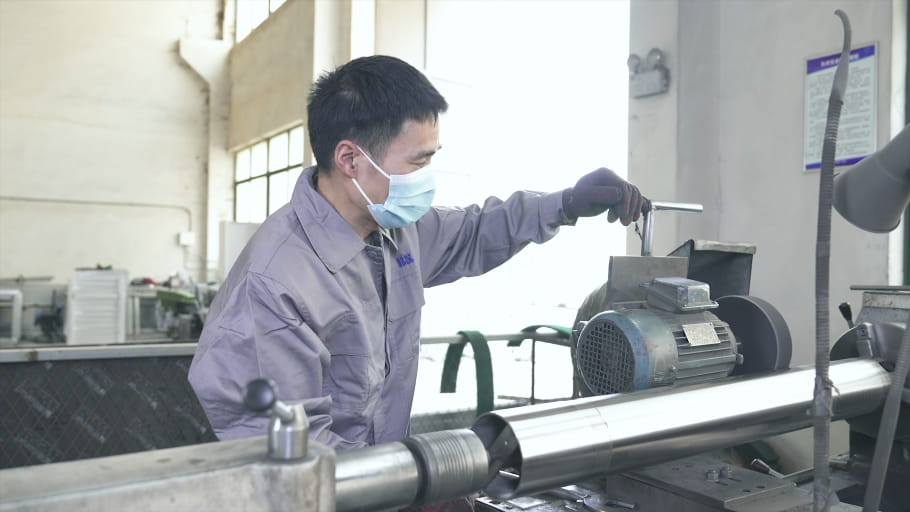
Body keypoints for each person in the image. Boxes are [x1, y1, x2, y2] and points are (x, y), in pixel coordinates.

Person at [188, 55, 645, 451]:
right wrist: (415, 476)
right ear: (350, 160)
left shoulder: (394, 229)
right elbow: (289, 449)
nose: (428, 175)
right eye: (419, 161)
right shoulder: (275, 285)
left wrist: (566, 204)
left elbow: (473, 231)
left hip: (379, 486)